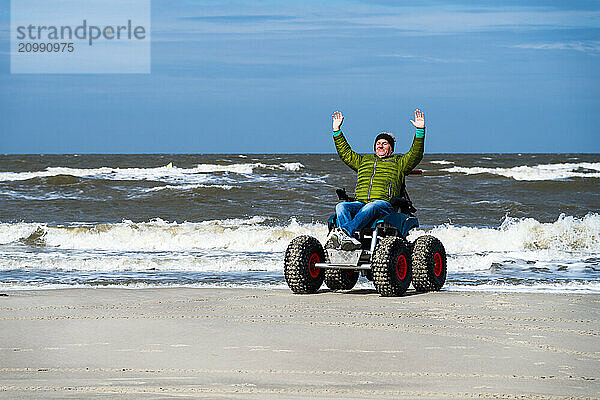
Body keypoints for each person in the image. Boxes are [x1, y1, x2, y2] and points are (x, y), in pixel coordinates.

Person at [326, 109, 425, 250]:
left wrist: (420, 131)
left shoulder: (399, 162)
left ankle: (345, 233)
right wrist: (337, 130)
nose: (380, 145)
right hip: (361, 203)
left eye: (385, 143)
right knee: (341, 207)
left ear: (391, 148)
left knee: (371, 206)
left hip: (383, 205)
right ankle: (348, 241)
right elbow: (345, 153)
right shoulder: (364, 161)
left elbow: (416, 154)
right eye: (378, 143)